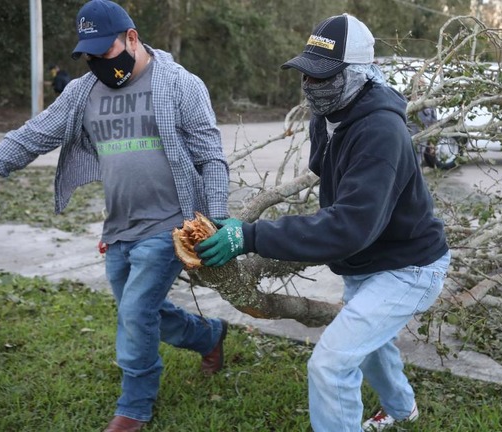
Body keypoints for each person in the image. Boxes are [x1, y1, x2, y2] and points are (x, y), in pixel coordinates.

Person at [0, 1, 230, 431]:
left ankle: (134, 406)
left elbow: (211, 157)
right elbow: (32, 135)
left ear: (132, 38)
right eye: (91, 56)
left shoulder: (179, 84)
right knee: (141, 309)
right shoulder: (83, 92)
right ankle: (209, 336)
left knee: (135, 312)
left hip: (170, 225)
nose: (99, 62)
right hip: (119, 227)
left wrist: (217, 217)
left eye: (106, 51)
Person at [195, 13, 451, 432]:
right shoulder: (330, 111)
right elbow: (322, 166)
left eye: (322, 76)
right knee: (371, 345)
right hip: (368, 261)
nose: (310, 86)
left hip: (409, 268)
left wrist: (251, 235)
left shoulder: (382, 131)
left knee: (331, 364)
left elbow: (348, 227)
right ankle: (404, 411)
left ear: (358, 74)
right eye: (307, 74)